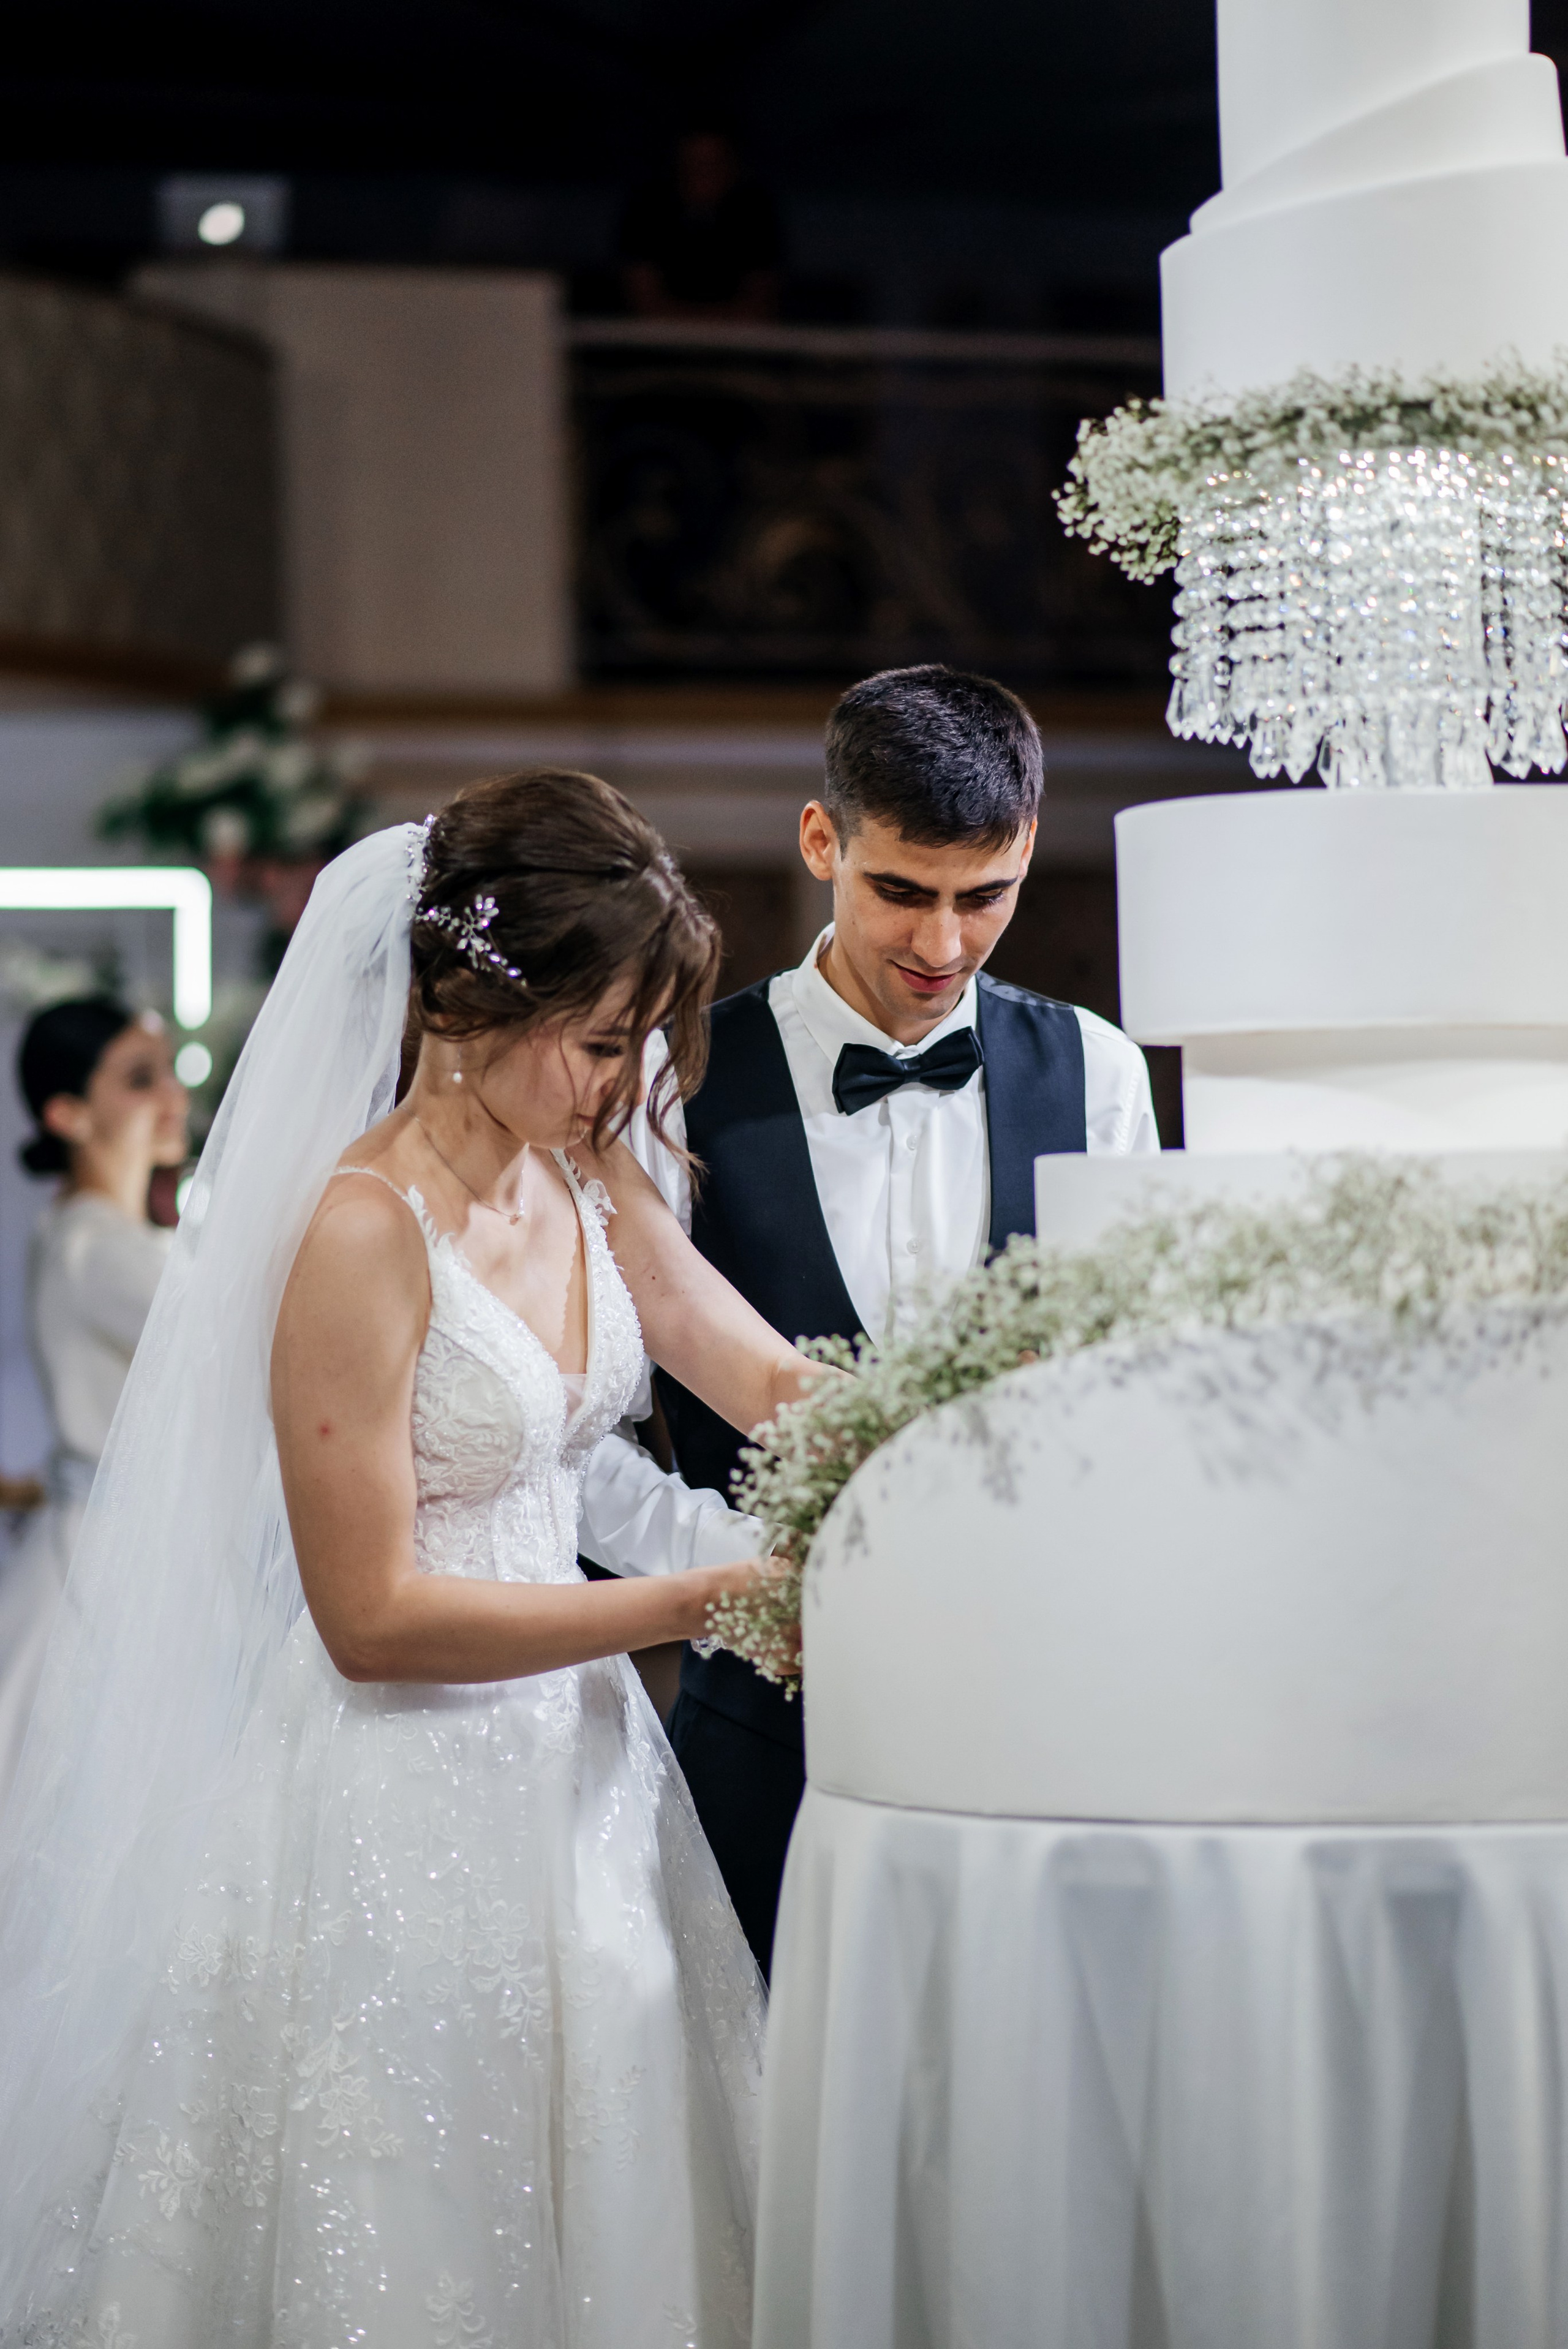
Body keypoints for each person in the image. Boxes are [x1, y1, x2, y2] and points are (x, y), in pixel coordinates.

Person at [0, 772, 816, 2345]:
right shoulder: (362, 1228)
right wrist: (702, 1602)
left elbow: (750, 1372)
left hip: (582, 1779)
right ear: (470, 999)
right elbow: (368, 1616)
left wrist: (935, 1436)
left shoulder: (587, 1167)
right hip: (393, 1798)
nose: (618, 1083)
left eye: (638, 1043)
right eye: (596, 1041)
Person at [629, 664, 1162, 1974]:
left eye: (982, 898)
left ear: (1029, 847)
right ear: (822, 842)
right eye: (900, 893)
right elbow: (596, 1425)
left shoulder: (1095, 1070)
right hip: (760, 1725)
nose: (939, 946)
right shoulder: (676, 1080)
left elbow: (1137, 1394)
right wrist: (745, 1586)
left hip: (1036, 1717)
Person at [0, 998, 187, 1808]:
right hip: (115, 1567)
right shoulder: (98, 1248)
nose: (173, 1097)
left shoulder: (85, 1230)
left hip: (93, 1535)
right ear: (67, 1112)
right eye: (140, 1079)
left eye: (170, 1071)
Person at [621, 126, 783, 322]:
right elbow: (644, 304)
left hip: (738, 350)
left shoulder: (757, 215)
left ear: (734, 167)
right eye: (691, 164)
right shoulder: (646, 211)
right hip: (657, 349)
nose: (701, 176)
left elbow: (760, 305)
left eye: (713, 165)